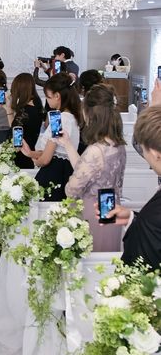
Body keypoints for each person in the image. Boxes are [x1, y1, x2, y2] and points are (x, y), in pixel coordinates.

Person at [56, 84, 126, 251]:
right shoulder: (118, 145)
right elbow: (88, 169)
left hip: (92, 215)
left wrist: (70, 180)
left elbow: (71, 190)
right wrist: (67, 144)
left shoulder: (95, 150)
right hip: (111, 211)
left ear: (90, 114)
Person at [101, 106, 161, 269]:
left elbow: (140, 273)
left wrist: (141, 223)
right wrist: (133, 218)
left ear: (155, 154)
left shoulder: (151, 219)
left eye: (143, 149)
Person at [21, 73, 82, 201]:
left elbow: (46, 159)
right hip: (65, 172)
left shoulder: (59, 119)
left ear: (57, 96)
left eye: (48, 97)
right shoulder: (73, 116)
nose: (47, 100)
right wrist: (30, 153)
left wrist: (36, 161)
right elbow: (56, 151)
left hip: (54, 174)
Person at [4, 73, 43, 169]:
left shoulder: (25, 112)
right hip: (28, 154)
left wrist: (9, 110)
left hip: (20, 158)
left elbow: (14, 134)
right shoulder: (37, 104)